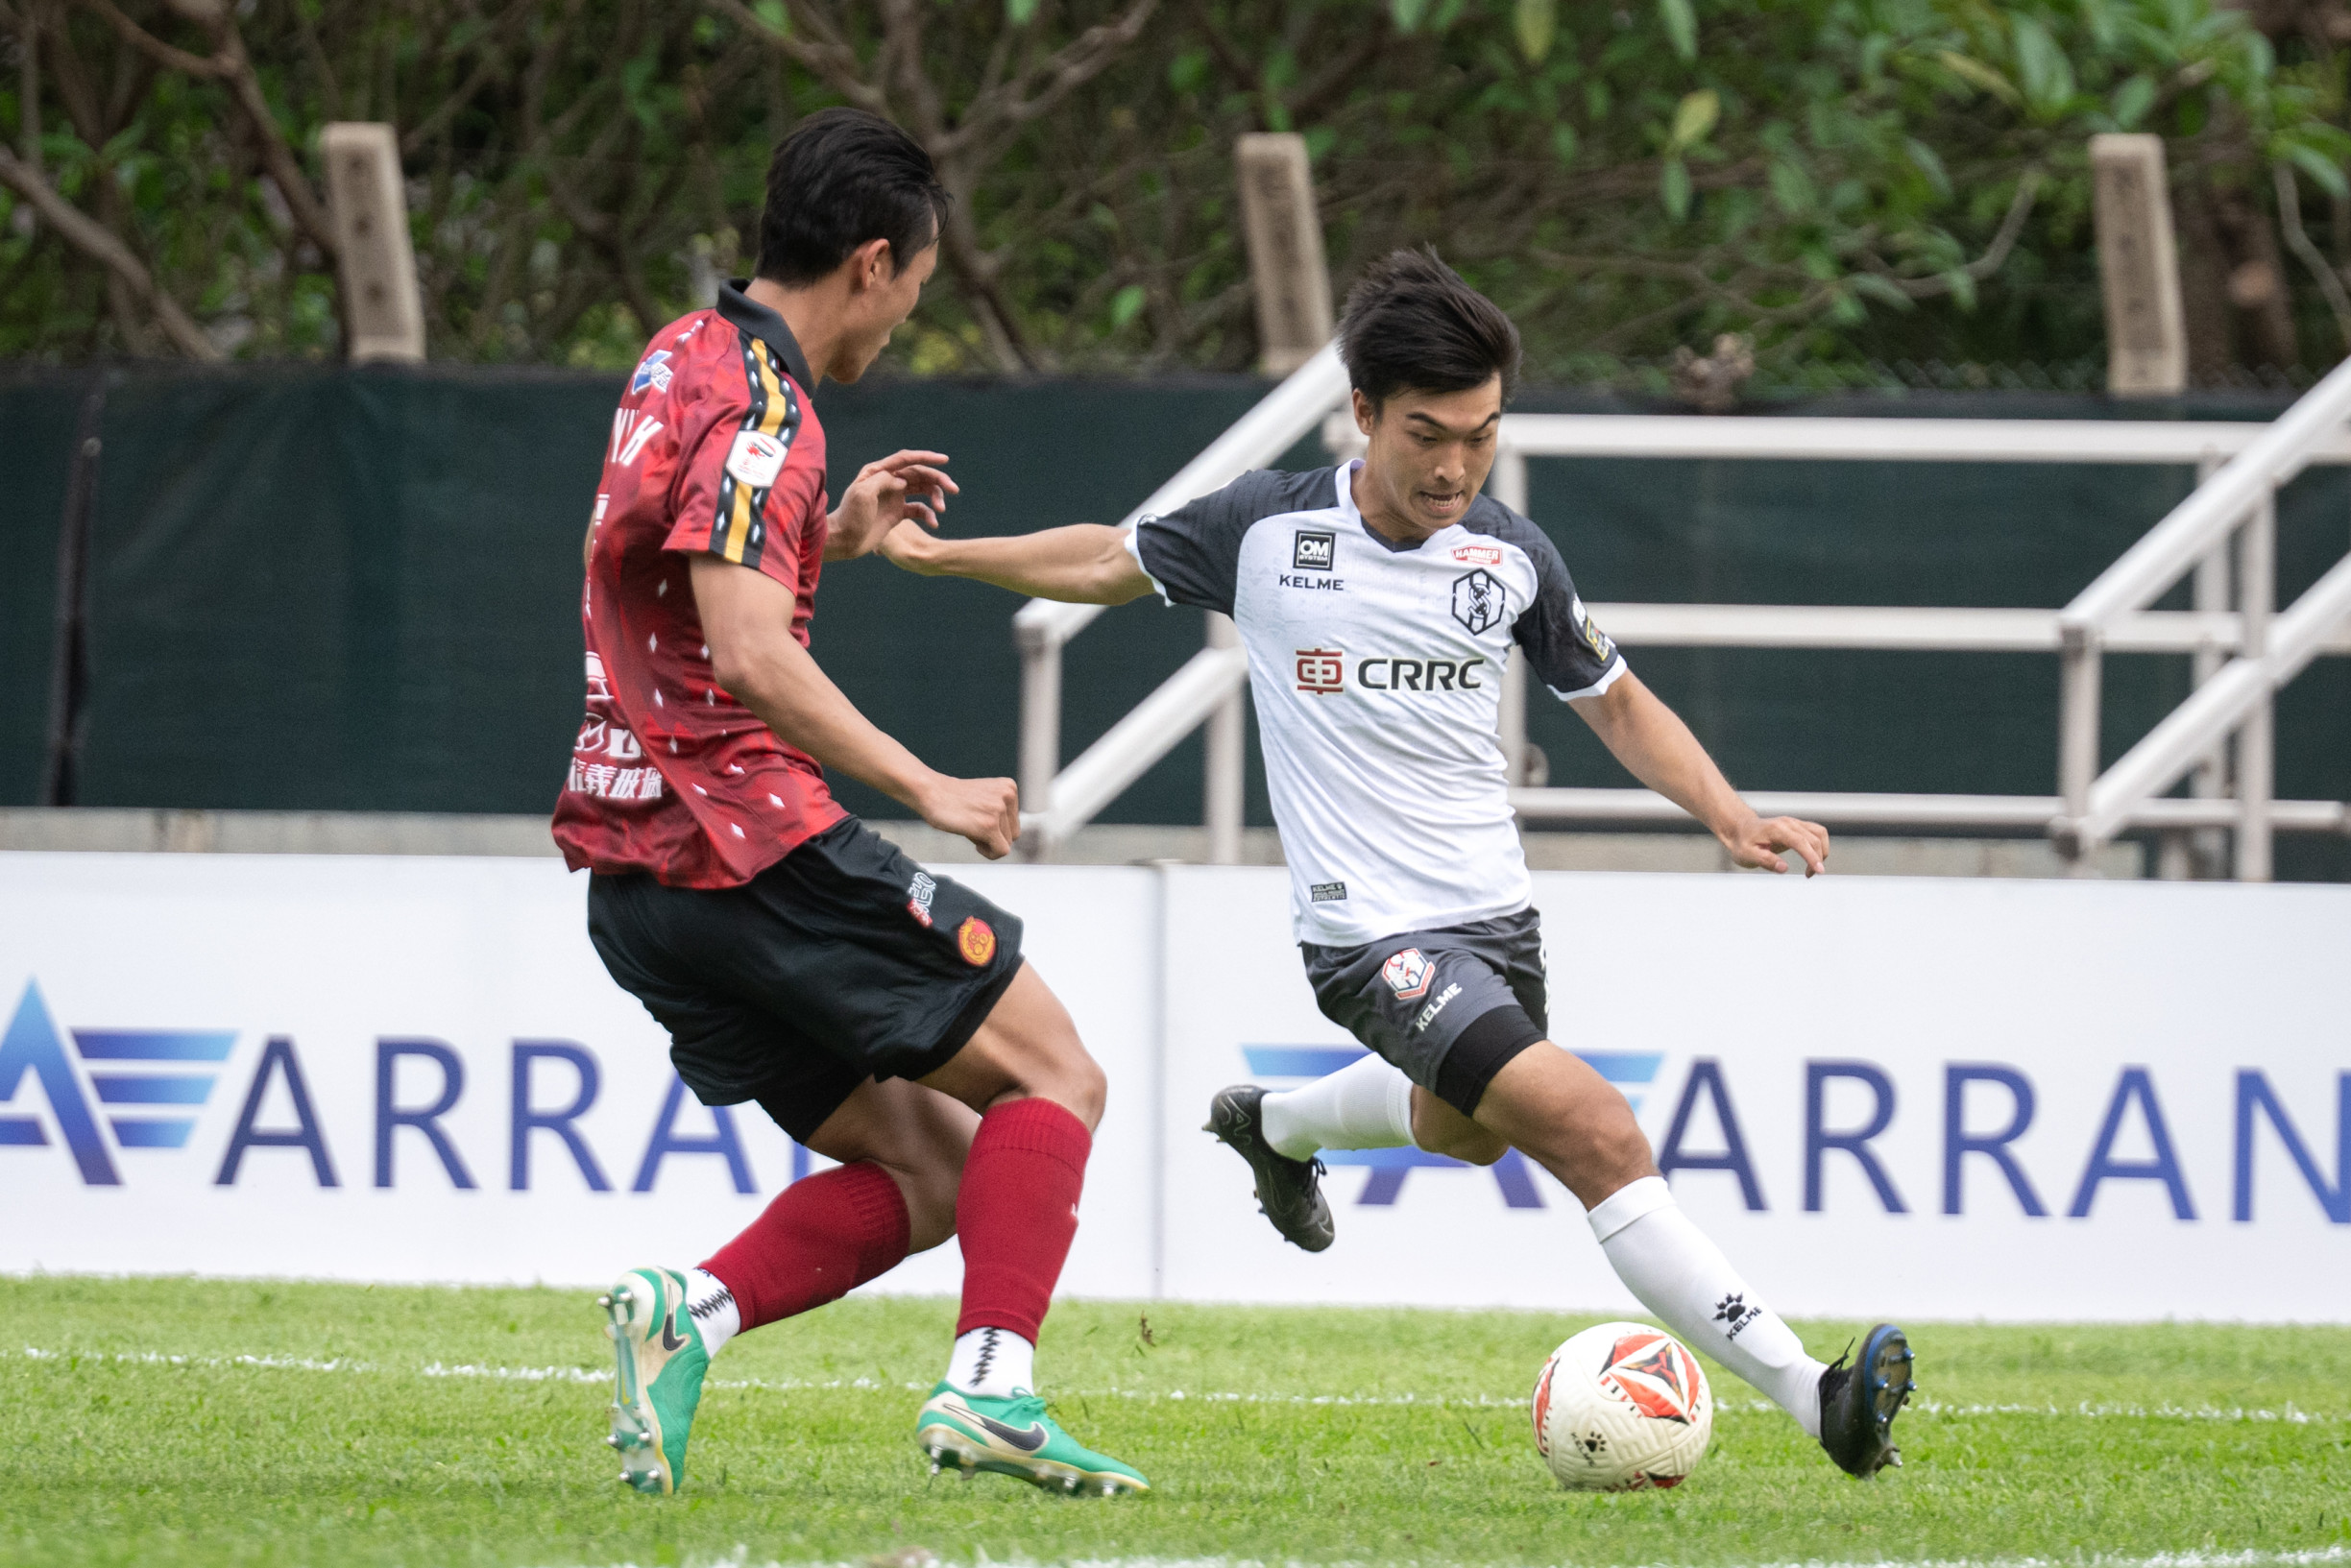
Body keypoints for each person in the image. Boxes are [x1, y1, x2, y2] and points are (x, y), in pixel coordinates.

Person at [878, 247, 1916, 1479]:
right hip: (1369, 937)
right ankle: (1818, 1398)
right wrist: (933, 556)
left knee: (1467, 1133)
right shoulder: (1267, 528)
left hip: (1496, 921)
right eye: (1429, 435)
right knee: (1596, 1130)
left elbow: (1616, 699)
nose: (1455, 468)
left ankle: (1275, 1126)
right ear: (1364, 412)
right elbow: (1106, 559)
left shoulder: (1511, 554)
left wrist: (1729, 816)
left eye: (1482, 436)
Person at [552, 107, 1147, 1499]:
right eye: (917, 287)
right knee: (1057, 1074)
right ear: (874, 262)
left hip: (635, 883)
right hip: (746, 852)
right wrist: (929, 784)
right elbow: (750, 654)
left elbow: (666, 570)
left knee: (934, 1173)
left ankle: (688, 1316)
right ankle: (993, 1389)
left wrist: (833, 536)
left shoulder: (679, 355)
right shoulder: (773, 409)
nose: (906, 318)